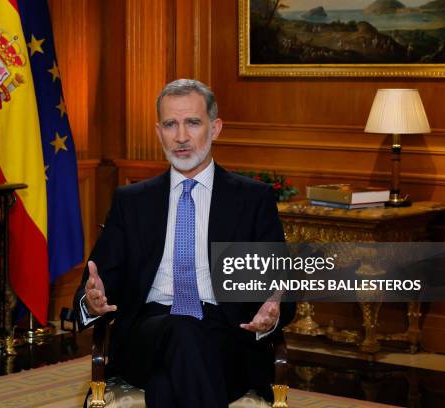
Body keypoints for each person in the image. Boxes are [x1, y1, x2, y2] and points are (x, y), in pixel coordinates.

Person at [74, 79, 295, 407]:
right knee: (182, 329)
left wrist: (272, 313)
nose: (180, 137)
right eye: (170, 124)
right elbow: (93, 286)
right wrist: (92, 302)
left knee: (168, 383)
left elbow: (280, 287)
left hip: (227, 336)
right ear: (158, 131)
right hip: (147, 335)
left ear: (215, 128)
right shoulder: (132, 201)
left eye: (192, 123)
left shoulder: (251, 199)